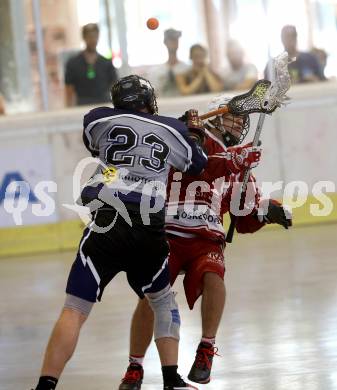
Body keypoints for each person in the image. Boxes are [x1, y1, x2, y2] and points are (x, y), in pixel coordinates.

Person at [31, 75, 211, 390]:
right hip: (147, 226)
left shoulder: (98, 118)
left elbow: (102, 147)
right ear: (148, 101)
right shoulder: (173, 129)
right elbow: (198, 164)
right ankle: (173, 380)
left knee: (75, 308)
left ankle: (45, 386)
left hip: (108, 220)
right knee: (162, 300)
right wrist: (192, 135)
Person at [118, 94, 292, 389]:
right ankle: (134, 366)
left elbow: (243, 217)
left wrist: (266, 212)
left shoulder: (241, 162)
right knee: (150, 295)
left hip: (206, 237)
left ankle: (206, 349)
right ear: (214, 116)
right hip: (168, 231)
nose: (239, 123)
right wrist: (191, 134)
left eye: (242, 119)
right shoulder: (192, 140)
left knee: (214, 277)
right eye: (233, 116)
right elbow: (198, 165)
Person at [64, 23, 118, 106]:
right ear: (84, 38)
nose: (93, 40)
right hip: (82, 105)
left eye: (95, 36)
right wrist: (68, 109)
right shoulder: (73, 63)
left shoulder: (106, 63)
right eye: (89, 36)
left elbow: (115, 87)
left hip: (104, 105)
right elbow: (69, 90)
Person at [151, 28, 189, 97]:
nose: (174, 42)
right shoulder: (157, 71)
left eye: (176, 39)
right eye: (171, 39)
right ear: (165, 42)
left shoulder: (187, 68)